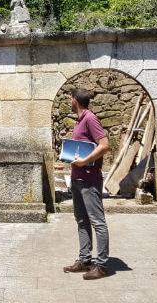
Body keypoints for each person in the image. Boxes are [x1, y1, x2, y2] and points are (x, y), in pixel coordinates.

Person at [63, 88, 111, 280]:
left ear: (74, 100)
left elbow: (105, 145)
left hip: (90, 180)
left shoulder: (90, 118)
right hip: (77, 178)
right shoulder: (80, 120)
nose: (69, 100)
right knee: (81, 220)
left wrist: (84, 162)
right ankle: (85, 260)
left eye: (69, 97)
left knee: (98, 222)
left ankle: (102, 265)